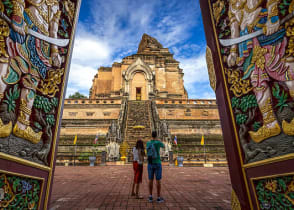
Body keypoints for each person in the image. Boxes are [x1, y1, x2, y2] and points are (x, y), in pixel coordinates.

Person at [146, 131, 165, 203]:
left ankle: (150, 196)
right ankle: (158, 197)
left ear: (151, 135)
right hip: (157, 162)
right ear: (156, 135)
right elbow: (163, 145)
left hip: (150, 163)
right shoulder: (158, 143)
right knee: (158, 180)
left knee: (150, 180)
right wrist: (158, 140)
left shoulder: (148, 143)